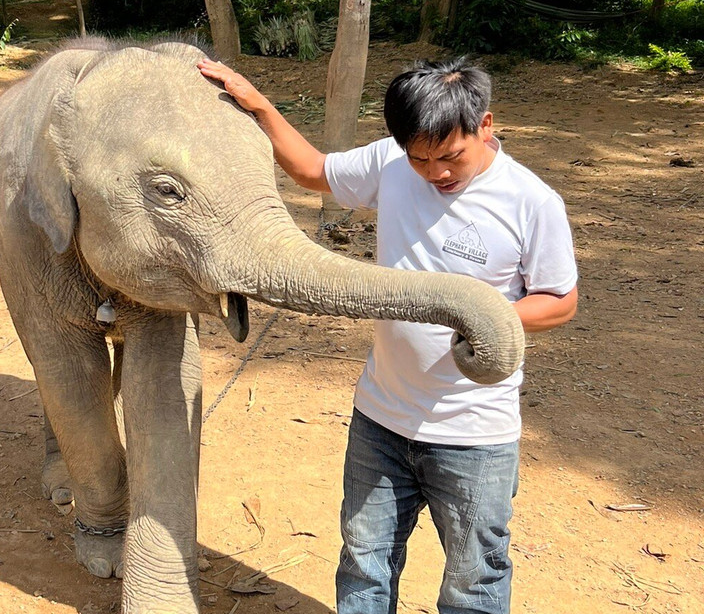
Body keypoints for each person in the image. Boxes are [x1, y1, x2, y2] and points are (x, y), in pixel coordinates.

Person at [197, 56, 578, 614]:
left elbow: (560, 301)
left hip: (474, 432)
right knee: (365, 561)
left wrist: (478, 311)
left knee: (476, 578)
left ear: (485, 125)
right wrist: (256, 102)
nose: (435, 172)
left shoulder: (532, 202)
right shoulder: (392, 164)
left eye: (450, 157)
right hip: (381, 416)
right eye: (420, 158)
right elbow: (311, 171)